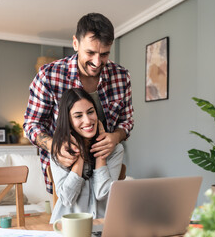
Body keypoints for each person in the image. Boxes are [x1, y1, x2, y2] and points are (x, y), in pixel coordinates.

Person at [23, 13, 134, 193]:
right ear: (75, 43)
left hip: (105, 171)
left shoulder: (121, 76)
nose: (97, 62)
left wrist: (115, 137)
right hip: (66, 172)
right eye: (90, 52)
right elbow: (31, 125)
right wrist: (55, 146)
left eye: (104, 54)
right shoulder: (49, 75)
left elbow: (126, 121)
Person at [49, 88, 124, 223]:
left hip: (102, 227)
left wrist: (100, 151)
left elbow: (103, 194)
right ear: (68, 121)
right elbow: (67, 198)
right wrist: (80, 156)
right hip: (67, 228)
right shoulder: (60, 151)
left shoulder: (116, 150)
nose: (88, 121)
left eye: (90, 112)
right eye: (78, 116)